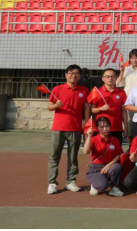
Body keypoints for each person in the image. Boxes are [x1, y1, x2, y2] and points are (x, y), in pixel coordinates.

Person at [47, 64, 90, 195]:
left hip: (76, 128)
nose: (73, 75)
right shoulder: (57, 89)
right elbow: (49, 107)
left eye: (76, 73)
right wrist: (56, 105)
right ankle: (52, 183)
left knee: (73, 157)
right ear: (66, 75)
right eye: (71, 73)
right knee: (54, 156)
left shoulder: (84, 90)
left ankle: (70, 181)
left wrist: (87, 123)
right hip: (58, 128)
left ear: (80, 76)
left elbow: (86, 108)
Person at [84, 116, 124, 197]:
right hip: (96, 168)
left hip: (109, 166)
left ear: (110, 126)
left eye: (107, 126)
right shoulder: (94, 139)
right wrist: (89, 136)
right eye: (102, 127)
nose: (105, 129)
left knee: (117, 167)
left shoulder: (114, 139)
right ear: (97, 128)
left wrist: (109, 165)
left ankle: (114, 187)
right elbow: (86, 151)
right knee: (103, 185)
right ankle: (95, 184)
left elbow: (118, 155)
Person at [89, 68, 128, 144]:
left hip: (117, 127)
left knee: (116, 149)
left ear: (116, 78)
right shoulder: (97, 91)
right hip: (101, 128)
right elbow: (92, 110)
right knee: (101, 149)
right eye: (107, 76)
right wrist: (101, 109)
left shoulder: (121, 92)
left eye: (112, 76)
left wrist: (125, 126)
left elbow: (124, 110)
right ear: (103, 78)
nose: (110, 78)